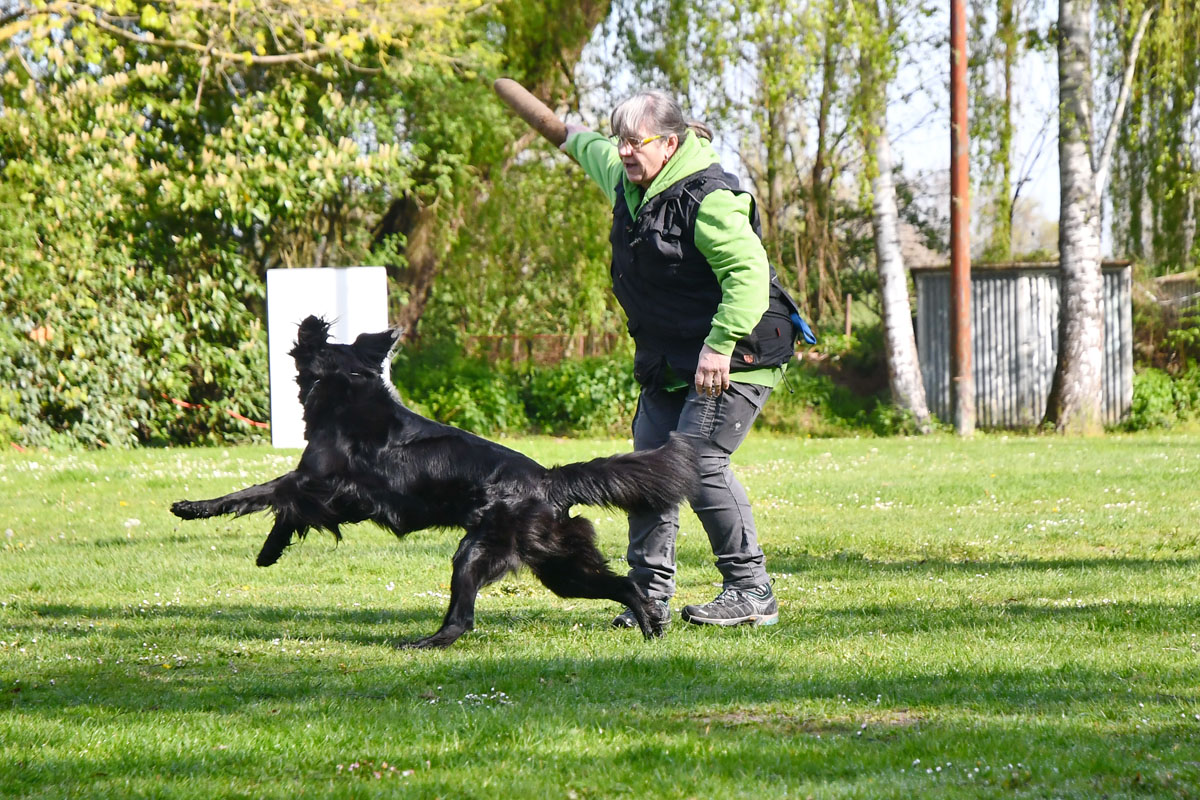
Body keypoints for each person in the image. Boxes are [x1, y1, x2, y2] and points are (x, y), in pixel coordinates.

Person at [560, 90, 803, 630]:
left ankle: (751, 589)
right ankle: (648, 597)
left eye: (635, 141)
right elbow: (584, 147)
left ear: (670, 143)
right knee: (647, 471)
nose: (623, 151)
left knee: (699, 463)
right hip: (671, 355)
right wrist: (555, 126)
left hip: (738, 346)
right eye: (619, 140)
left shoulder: (709, 197)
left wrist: (718, 347)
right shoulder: (628, 178)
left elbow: (747, 275)